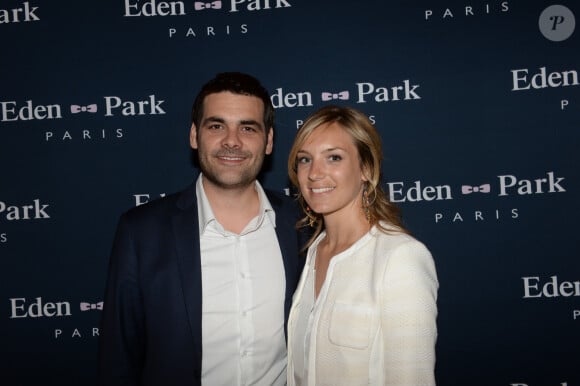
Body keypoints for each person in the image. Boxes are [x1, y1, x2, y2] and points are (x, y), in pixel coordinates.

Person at [98, 72, 305, 386]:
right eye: (216, 125)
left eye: (248, 128)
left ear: (269, 141)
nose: (232, 140)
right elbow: (119, 359)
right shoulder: (141, 232)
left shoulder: (303, 223)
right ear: (195, 136)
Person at [286, 105, 438, 385]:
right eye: (305, 159)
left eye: (333, 157)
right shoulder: (314, 251)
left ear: (366, 168)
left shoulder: (400, 257)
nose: (315, 173)